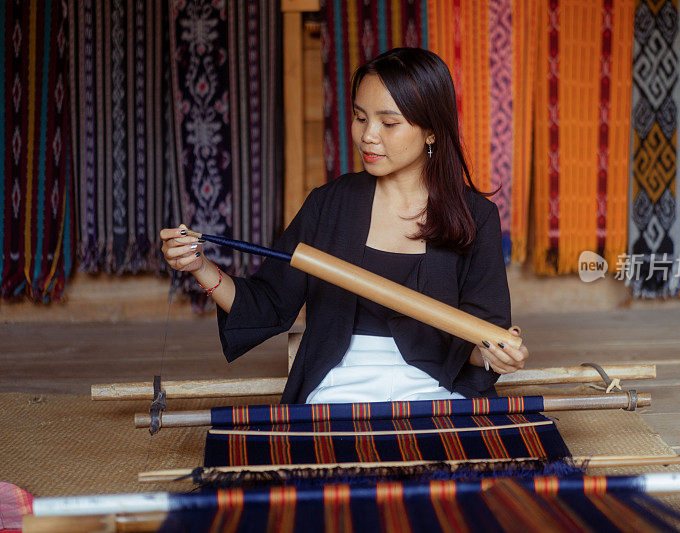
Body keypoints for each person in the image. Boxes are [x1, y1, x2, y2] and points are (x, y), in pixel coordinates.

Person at [160, 47, 530, 404]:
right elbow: (269, 303)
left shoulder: (475, 216)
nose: (368, 135)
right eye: (360, 117)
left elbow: (482, 341)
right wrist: (199, 267)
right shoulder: (330, 203)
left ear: (431, 131)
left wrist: (496, 356)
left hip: (434, 385)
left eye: (388, 123)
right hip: (341, 379)